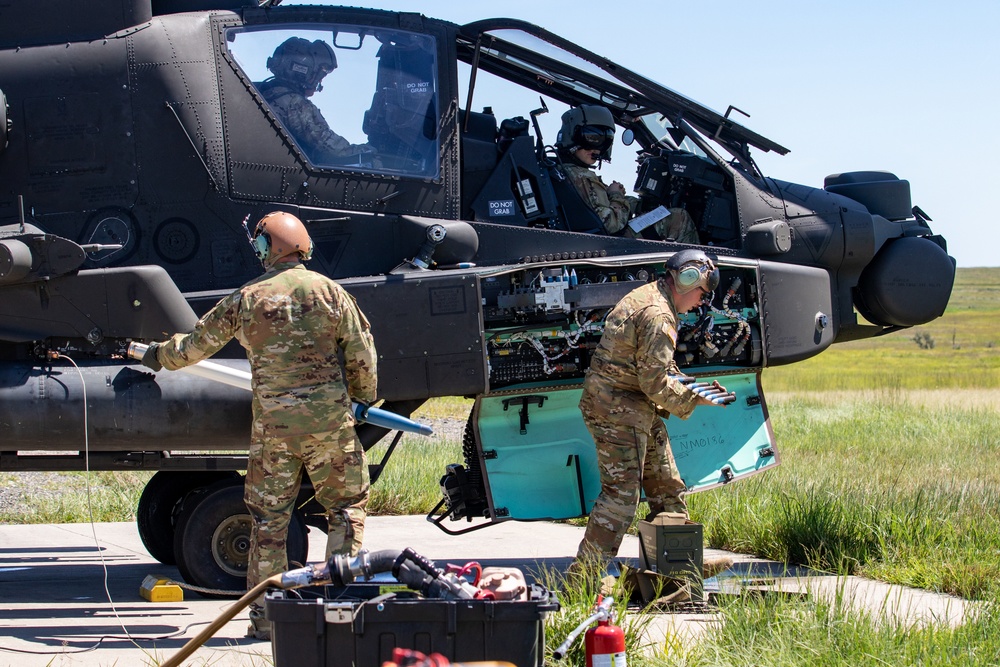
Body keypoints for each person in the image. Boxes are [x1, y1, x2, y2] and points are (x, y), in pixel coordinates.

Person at [139, 211, 377, 640]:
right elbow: (363, 354)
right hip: (329, 426)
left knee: (269, 523)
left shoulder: (247, 298)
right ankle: (342, 613)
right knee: (345, 511)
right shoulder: (330, 292)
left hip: (275, 433)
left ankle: (267, 622)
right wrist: (358, 400)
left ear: (271, 249)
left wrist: (154, 355)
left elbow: (194, 347)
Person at [574, 249, 727, 567]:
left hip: (630, 405)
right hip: (618, 410)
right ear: (687, 282)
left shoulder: (650, 296)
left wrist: (694, 387)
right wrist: (691, 400)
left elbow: (655, 367)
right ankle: (582, 583)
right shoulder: (660, 316)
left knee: (666, 486)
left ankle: (676, 574)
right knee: (621, 497)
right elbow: (654, 382)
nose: (701, 302)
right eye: (702, 293)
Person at [555, 105, 700, 243]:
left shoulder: (565, 171)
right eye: (591, 138)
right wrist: (616, 196)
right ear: (573, 136)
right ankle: (697, 267)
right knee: (679, 217)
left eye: (604, 142)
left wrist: (635, 204)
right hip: (608, 240)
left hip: (599, 237)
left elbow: (598, 205)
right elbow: (610, 224)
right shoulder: (582, 177)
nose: (596, 149)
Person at [257, 37, 377, 165]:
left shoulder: (266, 92)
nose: (319, 82)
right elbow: (332, 146)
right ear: (303, 71)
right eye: (320, 76)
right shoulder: (295, 103)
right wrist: (369, 153)